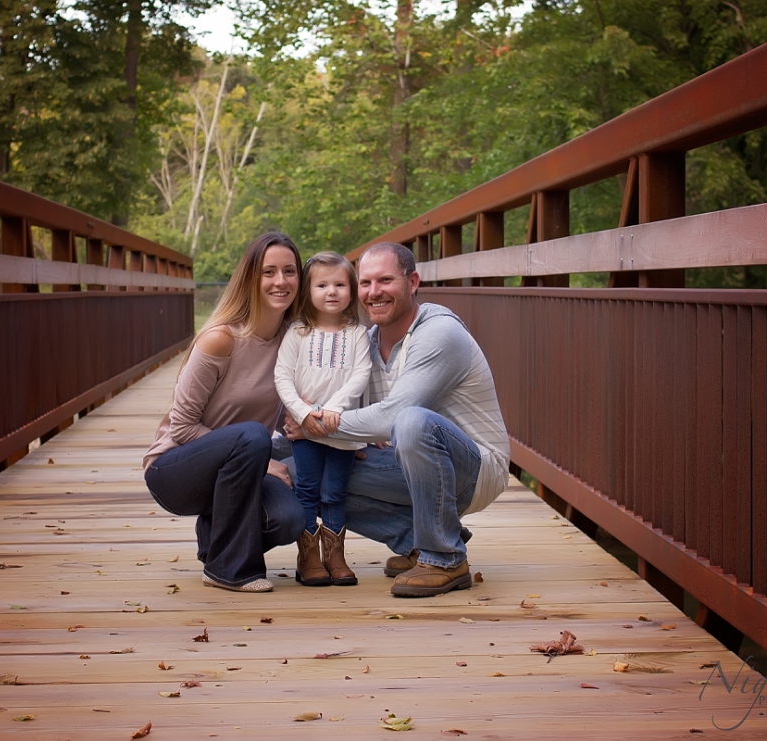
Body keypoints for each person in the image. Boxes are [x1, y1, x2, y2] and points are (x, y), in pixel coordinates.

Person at [288, 242, 510, 597]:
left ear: (413, 282)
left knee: (411, 422)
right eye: (365, 283)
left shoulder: (439, 332)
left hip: (477, 469)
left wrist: (313, 425)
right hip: (412, 463)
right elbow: (345, 413)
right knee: (300, 468)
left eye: (386, 280)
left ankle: (445, 557)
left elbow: (392, 416)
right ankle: (419, 540)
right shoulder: (365, 343)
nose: (374, 292)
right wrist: (304, 425)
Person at [143, 232, 305, 593]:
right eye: (269, 272)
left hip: (240, 468)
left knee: (289, 520)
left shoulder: (294, 341)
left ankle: (215, 537)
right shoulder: (221, 338)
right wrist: (264, 461)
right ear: (251, 278)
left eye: (290, 271)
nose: (281, 281)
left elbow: (292, 411)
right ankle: (229, 570)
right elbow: (182, 427)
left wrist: (364, 433)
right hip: (176, 470)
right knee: (251, 435)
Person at [274, 252, 372, 587]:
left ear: (351, 289)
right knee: (307, 489)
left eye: (340, 284)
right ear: (308, 292)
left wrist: (336, 407)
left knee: (334, 491)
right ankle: (308, 557)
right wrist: (303, 414)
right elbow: (282, 378)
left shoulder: (357, 334)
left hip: (340, 427)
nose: (332, 291)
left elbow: (361, 373)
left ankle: (335, 555)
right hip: (306, 430)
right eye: (322, 285)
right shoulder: (298, 333)